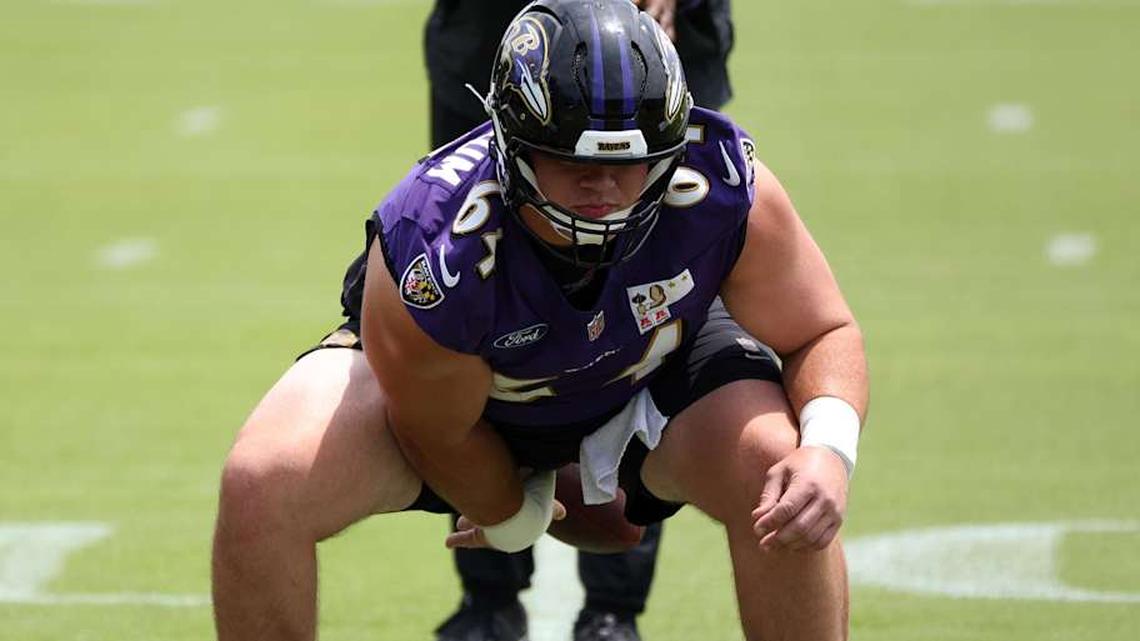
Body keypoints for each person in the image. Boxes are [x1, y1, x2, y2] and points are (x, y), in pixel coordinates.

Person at [211, 2, 868, 641]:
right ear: (511, 144)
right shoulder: (434, 243)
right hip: (477, 411)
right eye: (574, 163)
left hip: (643, 365)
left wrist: (829, 448)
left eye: (624, 163)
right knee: (264, 481)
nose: (602, 189)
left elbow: (820, 329)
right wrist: (517, 512)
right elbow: (434, 428)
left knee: (782, 472)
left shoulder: (722, 181)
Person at [422, 2, 735, 640]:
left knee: (653, 300)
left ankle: (614, 609)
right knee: (467, 303)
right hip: (498, 39)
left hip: (645, 49)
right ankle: (488, 596)